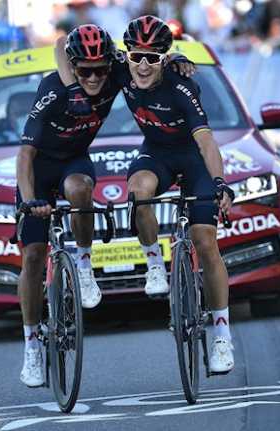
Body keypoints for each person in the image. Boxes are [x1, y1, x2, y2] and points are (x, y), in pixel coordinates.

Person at [56, 15, 235, 374]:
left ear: (164, 59)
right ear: (127, 54)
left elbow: (206, 141)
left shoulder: (181, 86)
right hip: (157, 152)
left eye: (152, 58)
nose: (142, 65)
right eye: (136, 55)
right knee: (138, 190)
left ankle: (221, 334)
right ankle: (155, 263)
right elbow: (62, 46)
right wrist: (72, 89)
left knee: (205, 239)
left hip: (194, 158)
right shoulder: (121, 69)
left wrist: (219, 183)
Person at [16, 24, 117, 388]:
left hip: (74, 160)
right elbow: (24, 155)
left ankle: (85, 266)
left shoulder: (114, 70)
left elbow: (149, 66)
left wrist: (178, 60)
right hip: (40, 168)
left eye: (100, 70)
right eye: (84, 70)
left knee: (80, 188)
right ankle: (31, 344)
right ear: (73, 67)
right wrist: (30, 202)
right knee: (32, 255)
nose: (93, 77)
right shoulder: (53, 89)